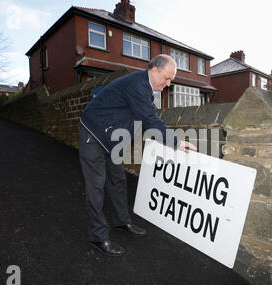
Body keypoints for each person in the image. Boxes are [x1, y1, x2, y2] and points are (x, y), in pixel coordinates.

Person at [78, 54, 196, 256]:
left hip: (111, 137)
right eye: (166, 78)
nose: (168, 84)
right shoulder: (137, 85)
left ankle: (122, 221)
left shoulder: (145, 87)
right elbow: (150, 120)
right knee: (96, 187)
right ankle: (98, 237)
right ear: (154, 70)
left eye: (171, 81)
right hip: (93, 132)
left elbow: (139, 118)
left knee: (117, 180)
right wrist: (175, 142)